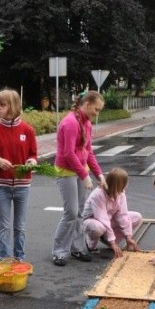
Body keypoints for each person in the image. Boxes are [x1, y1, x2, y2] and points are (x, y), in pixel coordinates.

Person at [51, 90, 106, 266]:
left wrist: (98, 174)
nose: (96, 114)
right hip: (66, 171)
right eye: (96, 109)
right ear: (87, 104)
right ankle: (59, 251)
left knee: (81, 212)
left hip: (80, 170)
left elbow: (88, 151)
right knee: (71, 212)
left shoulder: (87, 124)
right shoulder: (70, 123)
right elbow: (68, 154)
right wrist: (84, 176)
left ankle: (77, 248)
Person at [0, 88, 38, 261]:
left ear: (13, 106)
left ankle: (19, 258)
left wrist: (32, 162)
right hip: (2, 186)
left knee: (20, 227)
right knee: (4, 226)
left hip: (23, 186)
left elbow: (33, 154)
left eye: (2, 105)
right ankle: (5, 259)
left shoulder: (27, 130)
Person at [81, 167, 141, 258]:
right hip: (93, 220)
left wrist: (128, 236)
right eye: (125, 183)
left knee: (137, 217)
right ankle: (91, 242)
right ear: (119, 184)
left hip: (109, 218)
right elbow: (102, 218)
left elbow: (122, 215)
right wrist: (112, 242)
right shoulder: (98, 194)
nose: (126, 185)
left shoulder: (120, 192)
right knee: (97, 228)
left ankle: (107, 240)